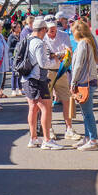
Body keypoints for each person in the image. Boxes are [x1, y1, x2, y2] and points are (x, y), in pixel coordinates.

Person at [24, 19, 63, 150]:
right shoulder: (39, 43)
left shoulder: (27, 39)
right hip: (38, 79)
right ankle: (47, 140)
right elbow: (43, 64)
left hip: (26, 78)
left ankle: (33, 138)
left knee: (33, 108)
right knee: (46, 107)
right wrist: (56, 61)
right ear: (43, 30)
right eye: (45, 30)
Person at [44, 19, 81, 140]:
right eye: (49, 28)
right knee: (47, 103)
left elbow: (69, 52)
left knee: (67, 99)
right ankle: (49, 129)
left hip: (61, 71)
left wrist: (55, 55)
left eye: (53, 27)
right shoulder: (42, 37)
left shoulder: (63, 35)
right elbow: (46, 55)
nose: (52, 30)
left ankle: (69, 129)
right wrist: (59, 54)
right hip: (47, 72)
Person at [68, 20, 98, 151]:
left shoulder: (82, 44)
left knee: (87, 113)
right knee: (86, 112)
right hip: (89, 81)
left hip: (83, 82)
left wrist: (73, 81)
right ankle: (88, 137)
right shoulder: (89, 43)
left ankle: (92, 139)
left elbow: (78, 66)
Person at [8, 22, 23, 96]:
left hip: (20, 57)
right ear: (14, 28)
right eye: (18, 27)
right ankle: (13, 89)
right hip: (13, 57)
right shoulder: (11, 37)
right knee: (14, 73)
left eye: (20, 27)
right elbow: (9, 48)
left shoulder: (21, 36)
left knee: (20, 73)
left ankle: (20, 89)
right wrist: (17, 48)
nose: (19, 28)